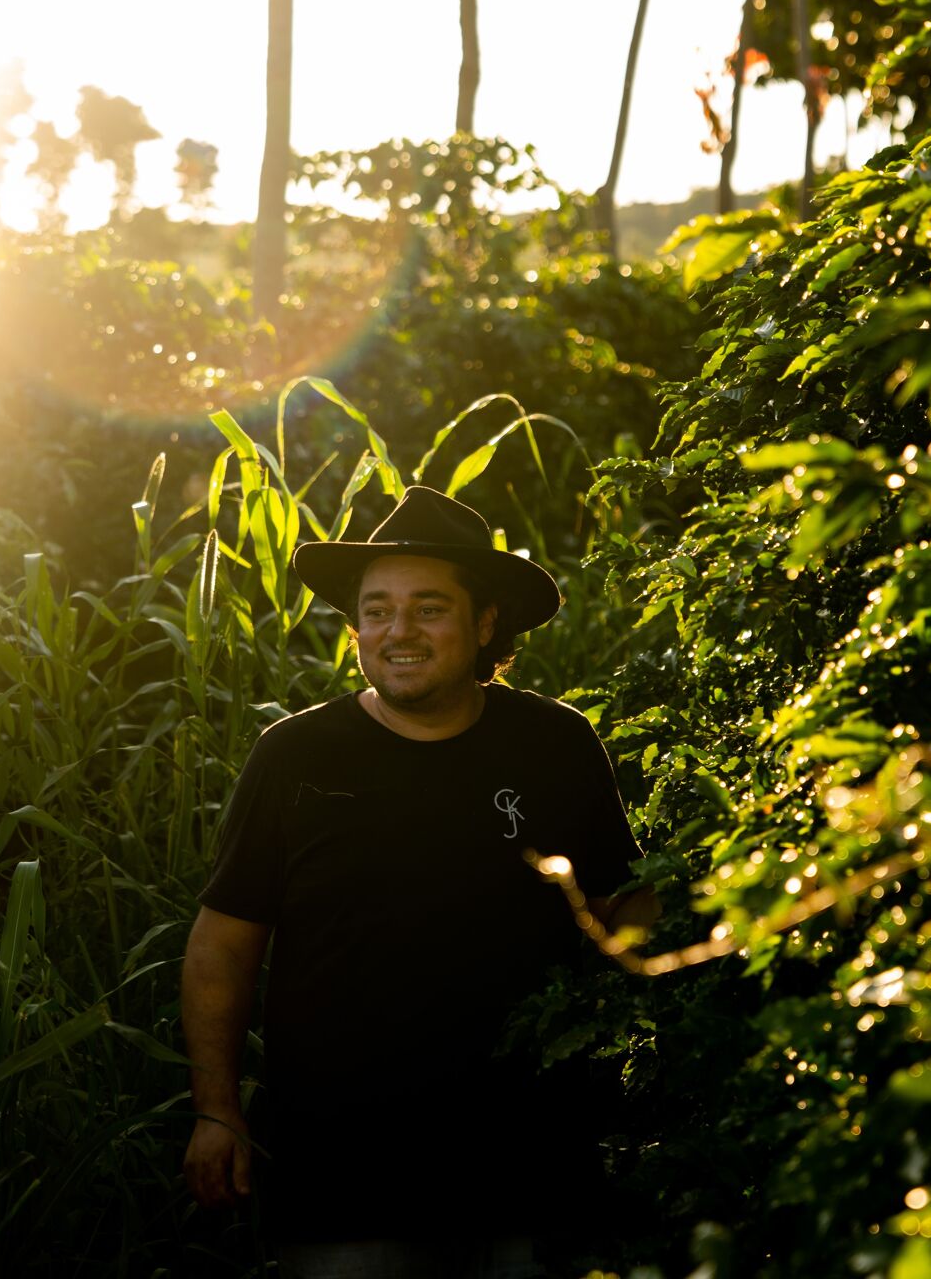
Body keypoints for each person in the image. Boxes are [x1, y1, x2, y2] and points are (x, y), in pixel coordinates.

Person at [181, 485, 656, 1278]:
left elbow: (617, 910)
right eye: (376, 610)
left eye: (429, 608)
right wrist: (216, 1112)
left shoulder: (555, 744)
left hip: (526, 1161)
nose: (397, 631)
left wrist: (743, 884)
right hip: (342, 1169)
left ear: (485, 622)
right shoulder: (295, 756)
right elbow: (222, 946)